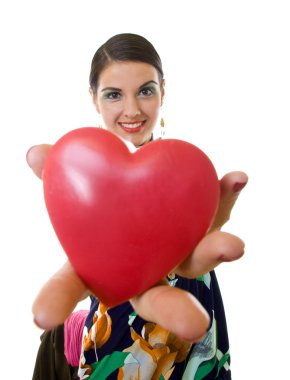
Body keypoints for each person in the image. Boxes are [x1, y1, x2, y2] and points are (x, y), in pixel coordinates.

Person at [28, 33, 248, 379]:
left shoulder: (185, 170)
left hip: (192, 307)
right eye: (113, 95)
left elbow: (203, 236)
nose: (132, 110)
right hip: (120, 322)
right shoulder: (76, 169)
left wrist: (212, 227)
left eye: (145, 90)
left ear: (163, 89)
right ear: (93, 99)